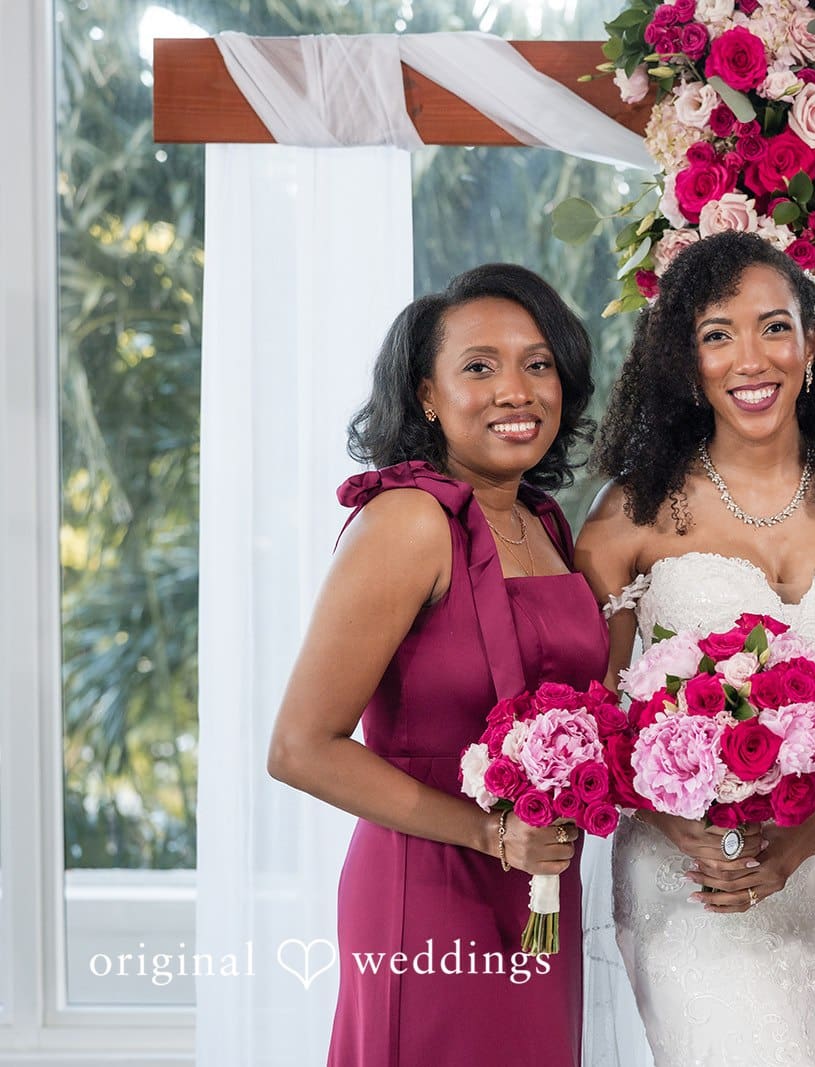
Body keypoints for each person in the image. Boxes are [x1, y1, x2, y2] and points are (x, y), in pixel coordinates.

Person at [576, 230, 815, 1067]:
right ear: (686, 362)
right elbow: (594, 718)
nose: (748, 358)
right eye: (716, 333)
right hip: (687, 876)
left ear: (812, 343)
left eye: (773, 326)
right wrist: (676, 819)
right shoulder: (632, 515)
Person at [267, 263, 606, 1066]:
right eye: (479, 366)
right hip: (430, 890)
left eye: (538, 363)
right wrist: (492, 833)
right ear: (426, 394)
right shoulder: (409, 520)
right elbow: (299, 747)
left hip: (538, 885)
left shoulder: (546, 524)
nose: (515, 389)